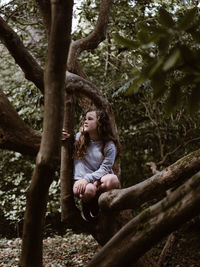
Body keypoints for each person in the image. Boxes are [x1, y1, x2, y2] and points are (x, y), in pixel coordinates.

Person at [62, 108, 120, 221]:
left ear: (100, 123)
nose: (85, 121)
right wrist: (59, 135)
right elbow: (60, 142)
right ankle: (87, 205)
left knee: (113, 179)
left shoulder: (109, 145)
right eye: (85, 119)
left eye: (90, 119)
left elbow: (105, 168)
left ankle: (101, 203)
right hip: (81, 182)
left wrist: (88, 178)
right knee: (88, 190)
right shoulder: (78, 138)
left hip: (98, 180)